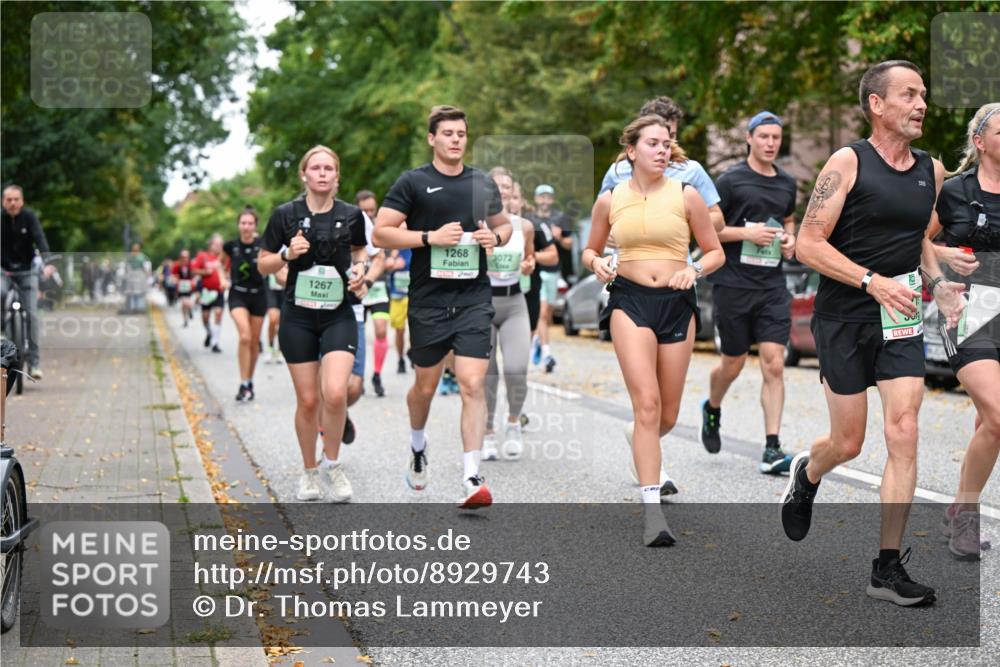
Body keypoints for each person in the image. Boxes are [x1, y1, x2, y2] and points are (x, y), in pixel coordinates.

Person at [783, 60, 965, 606]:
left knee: (904, 428)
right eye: (909, 94)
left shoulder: (930, 170)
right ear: (877, 105)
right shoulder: (847, 162)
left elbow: (918, 240)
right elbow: (808, 244)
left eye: (924, 94)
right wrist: (871, 281)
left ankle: (886, 568)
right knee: (848, 441)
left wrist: (941, 282)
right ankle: (808, 473)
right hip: (845, 316)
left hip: (901, 317)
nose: (921, 104)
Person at [583, 114, 723, 546]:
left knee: (667, 414)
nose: (663, 150)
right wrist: (599, 263)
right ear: (631, 151)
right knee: (646, 404)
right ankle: (652, 514)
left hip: (678, 306)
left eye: (667, 144)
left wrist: (693, 269)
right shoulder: (610, 200)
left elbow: (715, 252)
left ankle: (639, 438)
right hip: (629, 301)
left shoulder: (687, 196)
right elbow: (590, 250)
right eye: (653, 144)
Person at [373, 105, 512, 509]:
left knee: (472, 383)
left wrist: (496, 240)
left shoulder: (481, 183)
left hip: (473, 298)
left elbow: (503, 225)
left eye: (462, 134)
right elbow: (382, 232)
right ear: (432, 138)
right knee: (426, 387)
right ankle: (418, 443)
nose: (455, 139)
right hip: (429, 301)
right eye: (448, 133)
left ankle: (472, 476)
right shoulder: (413, 182)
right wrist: (428, 237)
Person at [258, 145, 370, 502]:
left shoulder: (351, 215)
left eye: (329, 168)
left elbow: (361, 250)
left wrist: (361, 271)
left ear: (337, 177)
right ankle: (309, 472)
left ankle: (333, 466)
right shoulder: (285, 215)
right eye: (316, 168)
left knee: (335, 393)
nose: (322, 173)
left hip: (338, 313)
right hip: (299, 316)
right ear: (304, 175)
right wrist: (286, 254)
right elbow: (263, 264)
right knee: (308, 400)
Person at [701, 111, 798, 474]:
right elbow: (708, 231)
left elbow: (788, 221)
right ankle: (712, 407)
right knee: (734, 363)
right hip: (733, 284)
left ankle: (772, 448)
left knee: (774, 362)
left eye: (776, 137)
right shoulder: (729, 181)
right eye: (764, 137)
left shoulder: (787, 183)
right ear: (750, 139)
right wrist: (746, 234)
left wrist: (790, 239)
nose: (771, 143)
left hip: (772, 285)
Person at [930, 102, 1000, 561]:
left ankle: (960, 507)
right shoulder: (955, 191)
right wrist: (942, 271)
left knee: (987, 423)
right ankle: (967, 513)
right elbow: (919, 241)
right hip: (971, 310)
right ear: (980, 141)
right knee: (998, 416)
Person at [482, 168, 535, 461]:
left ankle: (513, 423)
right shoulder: (476, 224)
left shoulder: (524, 226)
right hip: (484, 303)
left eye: (507, 186)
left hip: (514, 302)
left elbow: (530, 258)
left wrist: (528, 265)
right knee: (487, 374)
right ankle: (488, 431)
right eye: (496, 185)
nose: (502, 190)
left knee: (516, 368)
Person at [1, 185, 55, 380]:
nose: (13, 203)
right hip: (4, 272)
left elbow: (40, 240)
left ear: (22, 201)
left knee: (32, 313)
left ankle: (34, 364)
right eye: (9, 199)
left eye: (16, 199)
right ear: (3, 202)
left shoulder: (29, 217)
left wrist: (47, 263)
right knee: (0, 294)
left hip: (27, 272)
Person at [223, 206, 268, 402]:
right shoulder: (230, 246)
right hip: (238, 295)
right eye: (243, 223)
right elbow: (218, 262)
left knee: (254, 342)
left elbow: (271, 265)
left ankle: (249, 381)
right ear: (238, 225)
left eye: (250, 223)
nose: (246, 227)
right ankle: (243, 382)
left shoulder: (263, 245)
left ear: (255, 226)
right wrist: (222, 278)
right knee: (245, 336)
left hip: (259, 296)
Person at [356, 190, 391, 397]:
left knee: (380, 330)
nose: (369, 213)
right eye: (365, 210)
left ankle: (377, 375)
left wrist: (393, 260)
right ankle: (356, 376)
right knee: (355, 334)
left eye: (372, 209)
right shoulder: (352, 224)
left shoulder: (382, 225)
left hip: (378, 287)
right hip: (357, 288)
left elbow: (392, 249)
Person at [528, 184, 565, 374]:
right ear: (535, 199)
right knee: (541, 313)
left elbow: (570, 243)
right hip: (536, 270)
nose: (544, 200)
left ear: (551, 200)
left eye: (547, 197)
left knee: (547, 314)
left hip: (554, 270)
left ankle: (537, 341)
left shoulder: (559, 218)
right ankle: (547, 353)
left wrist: (558, 238)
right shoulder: (529, 219)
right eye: (540, 196)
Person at [191, 234, 228, 353]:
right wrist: (204, 272)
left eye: (221, 245)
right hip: (206, 292)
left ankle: (215, 343)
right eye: (217, 244)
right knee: (205, 317)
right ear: (211, 245)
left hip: (219, 291)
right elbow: (193, 271)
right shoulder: (203, 256)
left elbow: (229, 271)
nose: (219, 247)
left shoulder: (225, 258)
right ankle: (209, 333)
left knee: (218, 314)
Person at [387, 247, 412, 374]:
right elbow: (381, 264)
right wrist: (391, 263)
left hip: (414, 295)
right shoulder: (393, 247)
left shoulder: (417, 244)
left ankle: (413, 353)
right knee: (399, 330)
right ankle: (400, 359)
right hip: (397, 295)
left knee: (416, 328)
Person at [123, 242, 151, 314]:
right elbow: (127, 266)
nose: (136, 249)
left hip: (139, 274)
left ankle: (138, 307)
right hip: (133, 274)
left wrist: (146, 273)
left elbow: (143, 266)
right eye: (135, 248)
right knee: (133, 291)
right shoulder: (131, 256)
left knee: (138, 291)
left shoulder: (140, 256)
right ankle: (133, 307)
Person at [172, 249, 197, 326]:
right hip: (181, 287)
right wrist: (176, 281)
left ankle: (190, 309)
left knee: (187, 303)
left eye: (186, 257)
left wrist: (193, 281)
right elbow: (174, 276)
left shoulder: (191, 265)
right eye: (183, 257)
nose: (185, 258)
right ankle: (185, 320)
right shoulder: (176, 265)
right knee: (183, 303)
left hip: (190, 287)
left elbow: (195, 274)